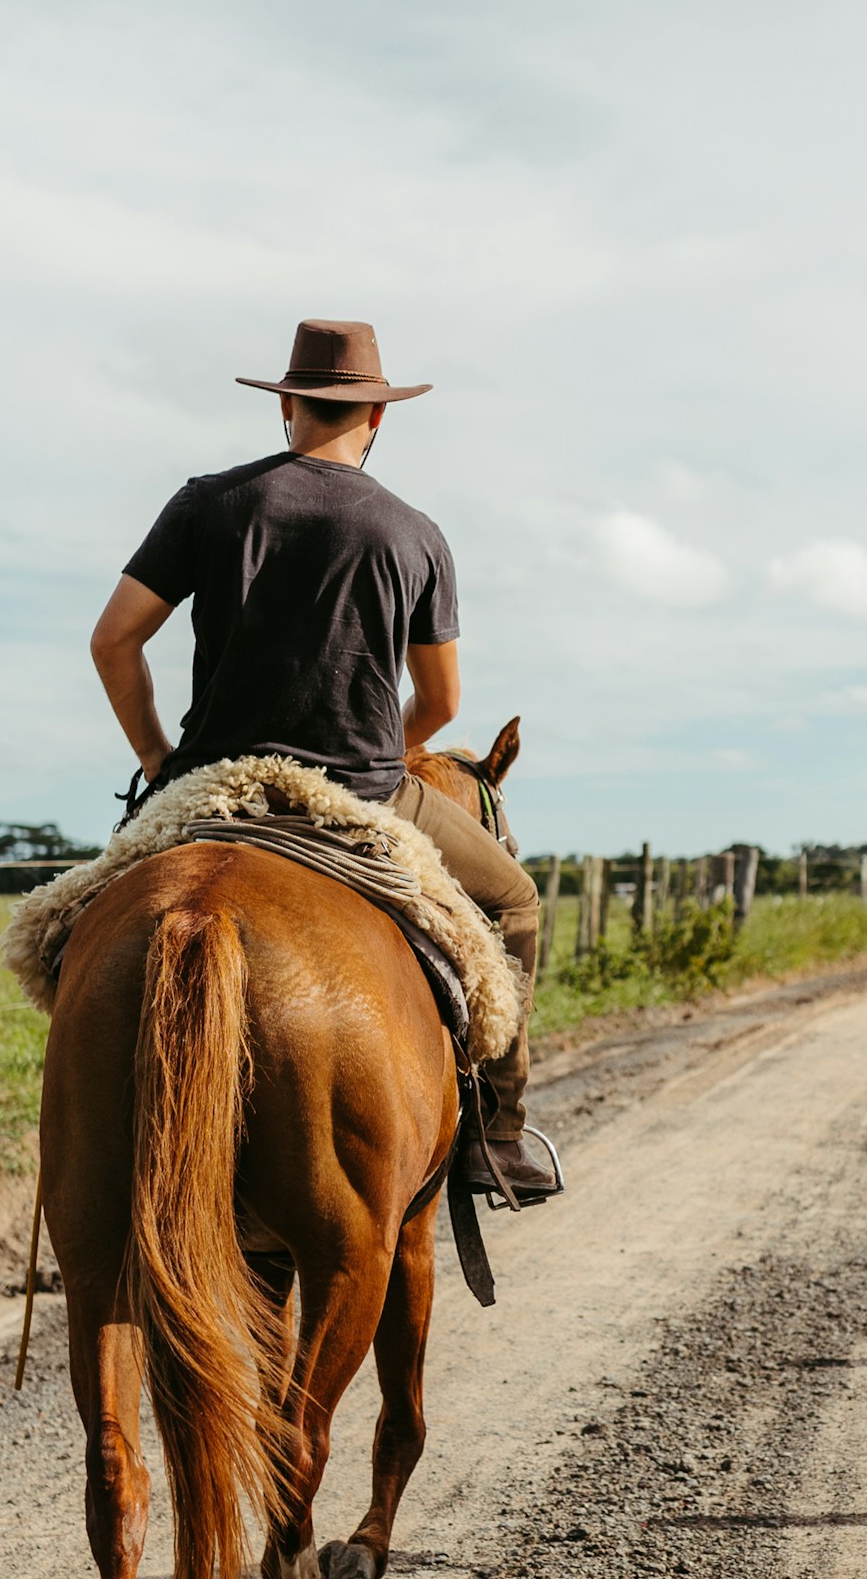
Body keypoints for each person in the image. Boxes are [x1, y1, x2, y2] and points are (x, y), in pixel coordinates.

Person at [86, 316, 560, 1204]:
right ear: (378, 420)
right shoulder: (415, 535)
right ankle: (498, 1132)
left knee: (65, 931)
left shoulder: (205, 503)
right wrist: (386, 745)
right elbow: (445, 704)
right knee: (514, 901)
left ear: (288, 407)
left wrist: (159, 758)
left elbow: (114, 643)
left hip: (208, 786)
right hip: (364, 792)